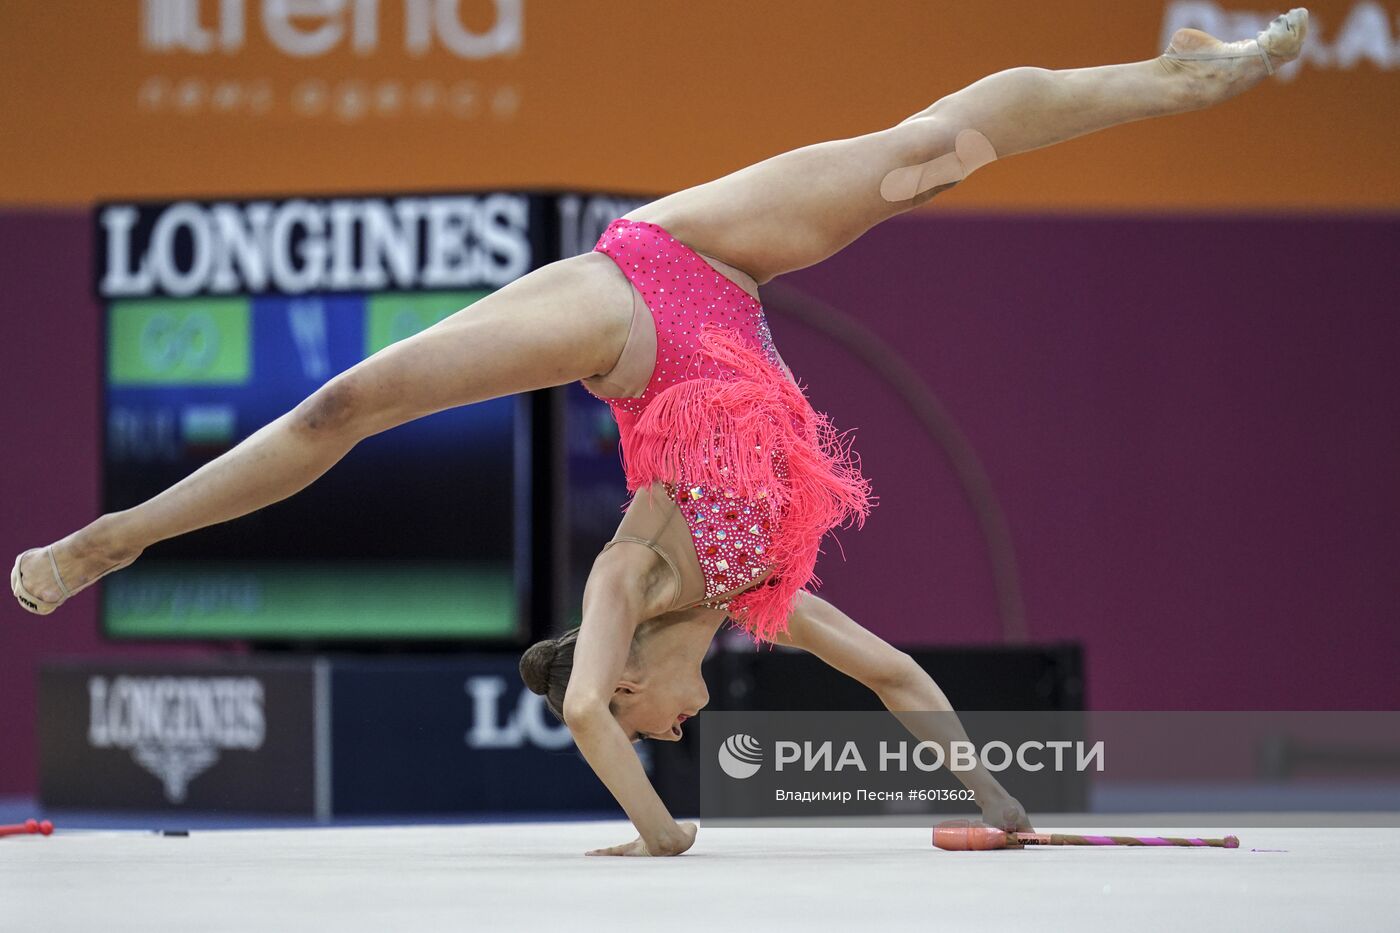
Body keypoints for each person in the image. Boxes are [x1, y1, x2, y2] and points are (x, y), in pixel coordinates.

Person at [14, 11, 1309, 856]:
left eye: (658, 730)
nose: (675, 729)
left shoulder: (624, 581)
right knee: (342, 405)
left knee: (931, 149)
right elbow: (903, 679)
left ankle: (1178, 76)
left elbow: (583, 707)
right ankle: (120, 537)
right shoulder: (763, 599)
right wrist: (999, 802)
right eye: (665, 743)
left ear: (633, 681)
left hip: (639, 298)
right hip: (720, 291)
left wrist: (660, 832)